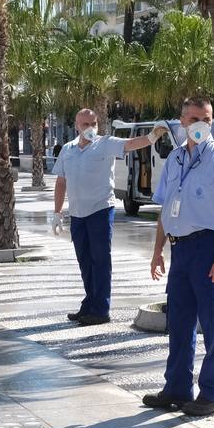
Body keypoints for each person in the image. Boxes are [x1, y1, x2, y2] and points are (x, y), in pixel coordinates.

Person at [144, 97, 214, 417]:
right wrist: (157, 252)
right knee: (179, 321)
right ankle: (176, 387)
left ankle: (213, 393)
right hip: (180, 249)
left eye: (205, 118)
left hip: (209, 247)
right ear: (182, 121)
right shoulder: (175, 158)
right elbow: (165, 209)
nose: (199, 124)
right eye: (193, 118)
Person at [52, 109, 167, 325]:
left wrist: (151, 137)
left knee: (101, 260)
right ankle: (89, 303)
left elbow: (131, 143)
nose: (90, 128)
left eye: (93, 123)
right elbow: (61, 182)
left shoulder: (104, 143)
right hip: (77, 213)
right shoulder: (68, 149)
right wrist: (57, 212)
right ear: (77, 125)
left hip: (100, 210)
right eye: (85, 124)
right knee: (85, 261)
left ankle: (101, 310)